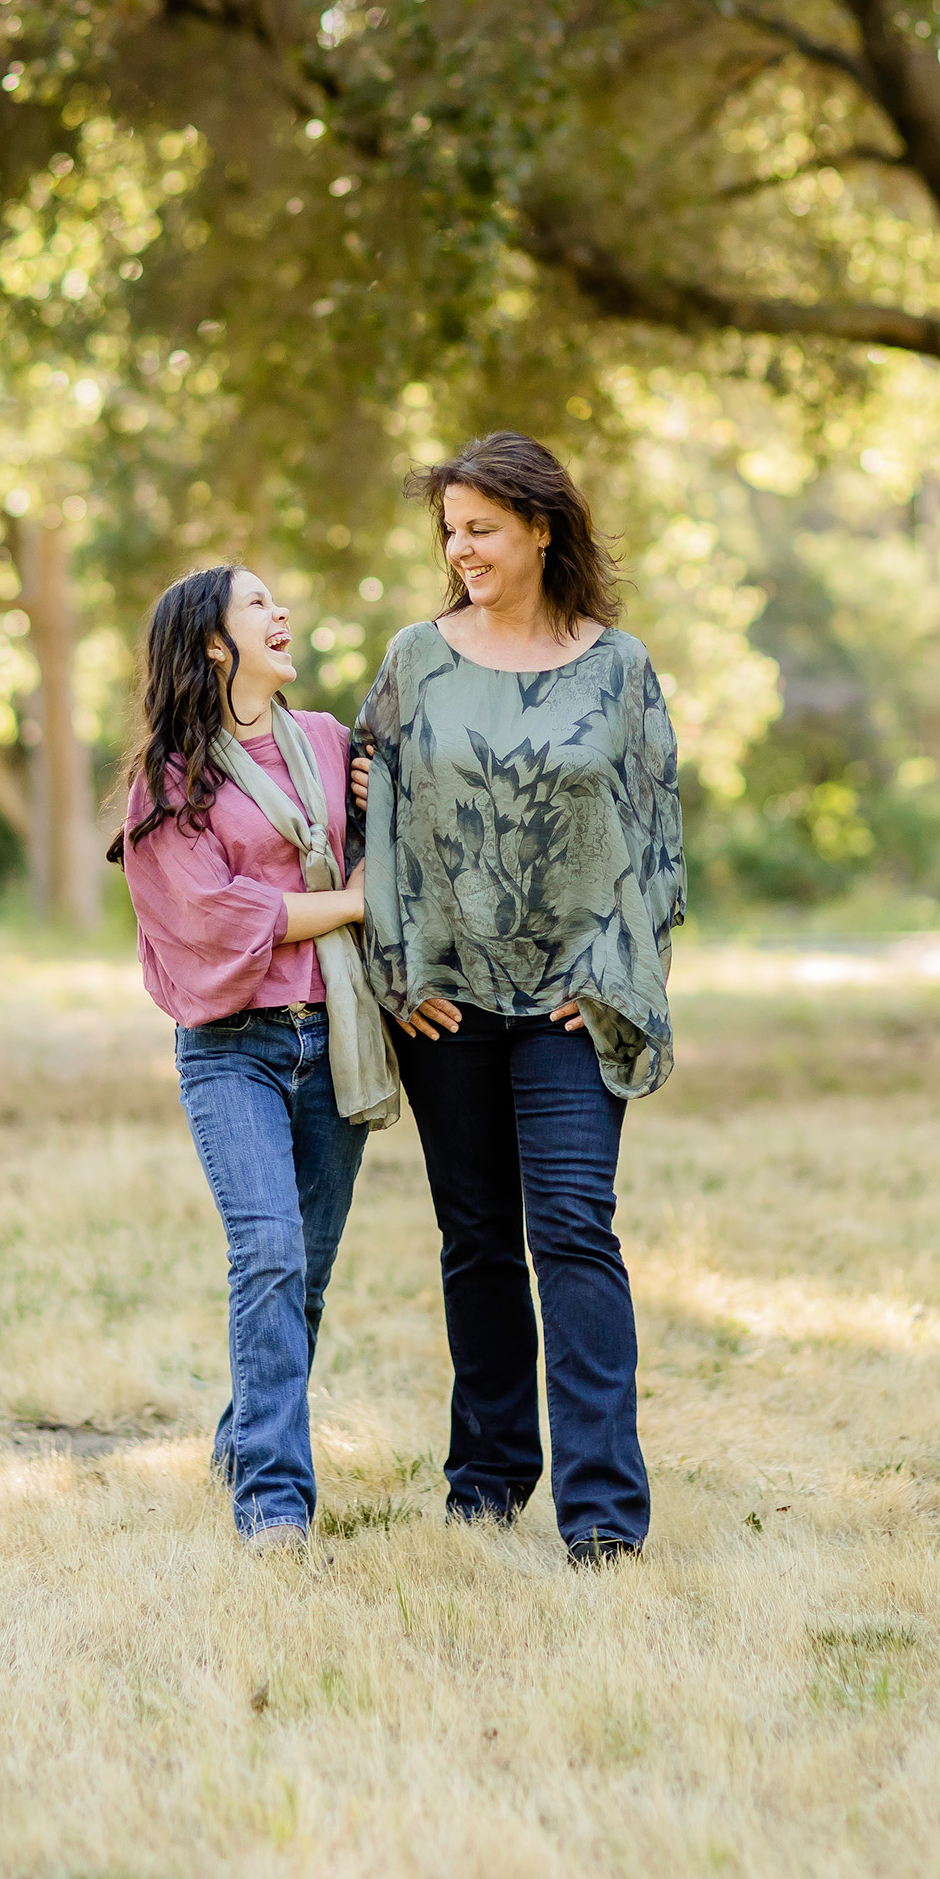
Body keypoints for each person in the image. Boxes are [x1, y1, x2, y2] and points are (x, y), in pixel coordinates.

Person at [352, 431, 684, 1564]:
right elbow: (373, 824)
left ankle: (601, 1517)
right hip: (447, 1007)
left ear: (541, 527)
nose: (461, 549)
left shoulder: (619, 668)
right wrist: (400, 976)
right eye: (449, 531)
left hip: (570, 1005)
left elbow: (655, 840)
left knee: (572, 1236)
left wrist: (617, 981)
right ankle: (486, 1483)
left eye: (481, 528)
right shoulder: (413, 659)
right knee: (477, 1242)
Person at [110, 564, 391, 1550]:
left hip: (336, 1034)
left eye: (279, 600)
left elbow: (388, 839)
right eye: (257, 605)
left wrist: (375, 803)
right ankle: (274, 1502)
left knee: (300, 1277)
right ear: (215, 644)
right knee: (265, 1251)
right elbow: (217, 915)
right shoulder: (171, 778)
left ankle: (241, 1442)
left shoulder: (325, 743)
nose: (282, 614)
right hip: (233, 1047)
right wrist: (351, 901)